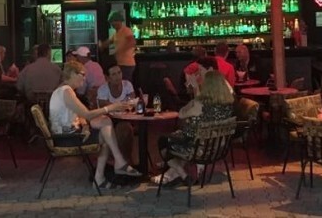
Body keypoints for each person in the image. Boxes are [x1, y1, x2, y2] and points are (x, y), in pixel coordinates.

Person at [49, 60, 141, 189]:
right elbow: (87, 114)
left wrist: (85, 125)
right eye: (82, 74)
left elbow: (80, 115)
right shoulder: (66, 91)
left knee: (105, 122)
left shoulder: (63, 90)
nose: (84, 78)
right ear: (73, 74)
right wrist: (110, 108)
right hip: (66, 138)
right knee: (106, 133)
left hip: (67, 133)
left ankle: (114, 166)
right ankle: (106, 173)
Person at [152, 70, 234, 186]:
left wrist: (195, 99)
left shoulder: (200, 105)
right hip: (216, 149)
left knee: (164, 141)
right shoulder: (228, 106)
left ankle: (182, 174)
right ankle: (172, 174)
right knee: (178, 138)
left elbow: (181, 114)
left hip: (198, 149)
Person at [98, 11, 136, 82]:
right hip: (120, 63)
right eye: (111, 22)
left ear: (119, 21)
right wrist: (101, 45)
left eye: (113, 21)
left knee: (125, 84)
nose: (112, 24)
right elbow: (108, 42)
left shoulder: (126, 30)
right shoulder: (116, 33)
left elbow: (132, 42)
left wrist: (120, 50)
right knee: (121, 83)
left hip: (127, 64)